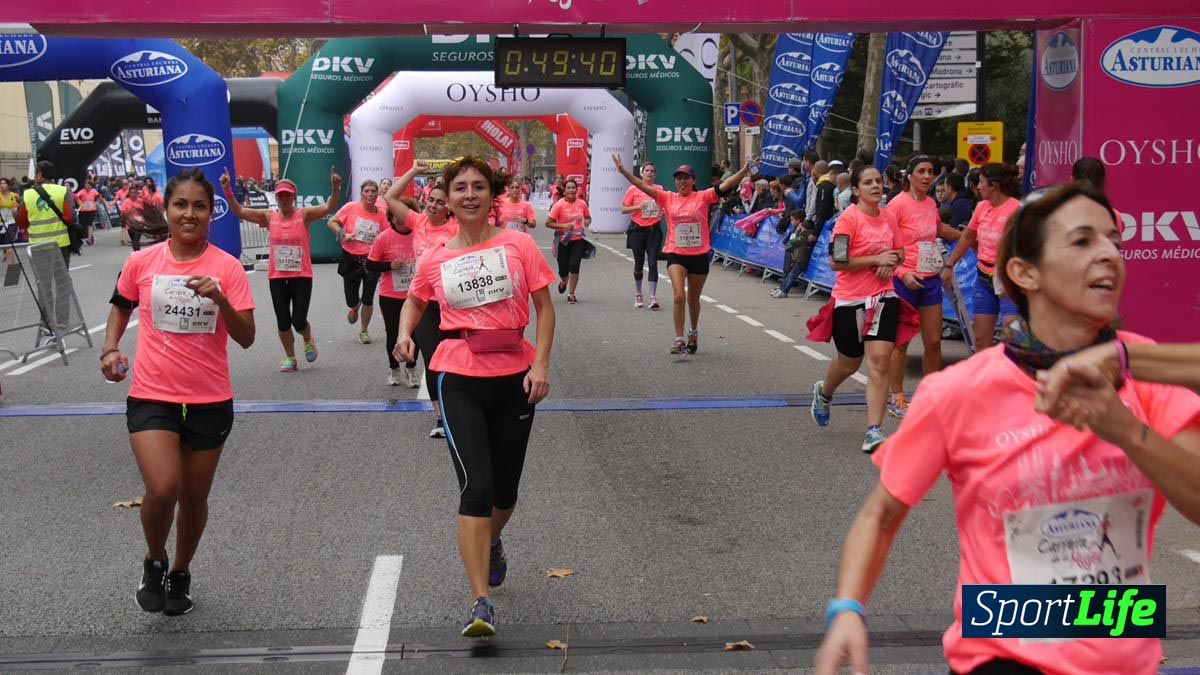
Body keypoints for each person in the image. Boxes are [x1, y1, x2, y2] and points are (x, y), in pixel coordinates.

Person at [813, 181, 1200, 675]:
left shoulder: (1146, 375)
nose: (1108, 254)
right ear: (1024, 272)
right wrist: (847, 607)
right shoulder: (960, 391)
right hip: (1000, 655)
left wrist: (1126, 430)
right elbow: (881, 515)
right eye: (1082, 241)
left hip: (1125, 653)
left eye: (1114, 241)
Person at [393, 156, 557, 639]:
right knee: (477, 487)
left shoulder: (519, 244)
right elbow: (416, 299)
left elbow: (545, 309)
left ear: (493, 194)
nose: (469, 194)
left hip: (515, 374)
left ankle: (492, 539)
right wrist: (405, 333)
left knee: (505, 493)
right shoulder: (437, 255)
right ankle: (480, 602)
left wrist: (542, 365)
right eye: (460, 187)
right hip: (457, 374)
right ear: (446, 196)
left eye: (478, 186)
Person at [100, 168, 256, 617]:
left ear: (211, 213)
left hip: (209, 399)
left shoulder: (226, 266)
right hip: (152, 395)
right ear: (167, 210)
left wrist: (221, 299)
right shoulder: (142, 263)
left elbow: (245, 336)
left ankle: (181, 571)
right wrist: (110, 349)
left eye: (199, 206)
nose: (189, 213)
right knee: (164, 487)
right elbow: (120, 305)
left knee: (193, 497)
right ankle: (154, 559)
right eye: (180, 205)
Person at [613, 156, 754, 355]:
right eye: (679, 178)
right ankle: (679, 339)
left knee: (693, 299)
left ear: (693, 181)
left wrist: (743, 170)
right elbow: (641, 185)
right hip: (676, 253)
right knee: (679, 295)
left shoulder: (703, 197)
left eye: (686, 178)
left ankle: (693, 332)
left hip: (698, 255)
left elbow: (726, 185)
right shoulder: (666, 197)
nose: (682, 181)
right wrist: (623, 172)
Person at [808, 165, 904, 453]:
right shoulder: (847, 220)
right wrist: (877, 260)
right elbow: (837, 262)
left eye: (878, 181)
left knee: (880, 363)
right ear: (857, 190)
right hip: (850, 300)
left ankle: (873, 431)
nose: (876, 186)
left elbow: (900, 252)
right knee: (850, 362)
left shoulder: (889, 218)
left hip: (884, 298)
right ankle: (824, 393)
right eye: (868, 182)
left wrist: (892, 262)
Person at [222, 168, 340, 372]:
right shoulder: (268, 217)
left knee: (298, 320)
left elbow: (329, 205)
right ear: (276, 197)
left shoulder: (304, 215)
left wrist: (335, 187)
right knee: (283, 321)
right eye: (281, 195)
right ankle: (291, 358)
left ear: (293, 196)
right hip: (277, 276)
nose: (284, 198)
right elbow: (239, 211)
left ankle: (308, 337)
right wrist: (228, 190)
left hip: (301, 275)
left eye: (288, 195)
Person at [385, 160, 460, 438]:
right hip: (423, 303)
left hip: (453, 302)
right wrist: (414, 172)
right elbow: (390, 197)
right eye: (430, 200)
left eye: (440, 202)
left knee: (457, 357)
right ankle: (440, 417)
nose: (433, 205)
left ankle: (461, 407)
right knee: (432, 359)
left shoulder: (456, 229)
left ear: (449, 207)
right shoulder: (417, 222)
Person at [884, 155, 962, 418]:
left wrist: (970, 236)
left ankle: (931, 395)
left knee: (933, 341)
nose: (927, 177)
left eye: (930, 172)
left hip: (930, 280)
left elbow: (938, 229)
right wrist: (902, 272)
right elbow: (883, 246)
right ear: (910, 176)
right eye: (921, 172)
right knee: (901, 343)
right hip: (904, 280)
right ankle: (896, 398)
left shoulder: (930, 203)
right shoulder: (897, 205)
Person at [945, 163, 1022, 350]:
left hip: (1008, 279)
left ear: (993, 186)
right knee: (980, 338)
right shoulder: (981, 207)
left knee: (1013, 335)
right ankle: (985, 378)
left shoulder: (1016, 209)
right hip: (983, 277)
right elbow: (968, 237)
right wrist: (950, 265)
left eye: (981, 182)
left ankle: (1012, 376)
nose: (978, 187)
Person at [367, 206, 421, 387]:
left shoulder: (420, 235)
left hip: (416, 294)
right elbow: (371, 264)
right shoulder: (383, 238)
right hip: (390, 294)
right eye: (395, 216)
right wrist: (389, 265)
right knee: (392, 333)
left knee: (416, 333)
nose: (399, 220)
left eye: (402, 216)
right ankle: (394, 368)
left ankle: (412, 367)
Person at [329, 180, 388, 344]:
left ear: (377, 194)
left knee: (368, 298)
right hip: (351, 257)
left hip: (371, 260)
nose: (370, 194)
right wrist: (343, 234)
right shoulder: (350, 208)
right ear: (361, 193)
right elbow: (331, 222)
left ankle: (364, 330)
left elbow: (388, 235)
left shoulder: (382, 214)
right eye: (367, 191)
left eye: (373, 191)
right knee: (351, 299)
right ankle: (355, 306)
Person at [620, 162, 664, 310]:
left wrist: (662, 212)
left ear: (655, 175)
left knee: (652, 262)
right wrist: (638, 207)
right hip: (637, 230)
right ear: (642, 173)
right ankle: (639, 293)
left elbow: (663, 206)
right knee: (639, 264)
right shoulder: (633, 189)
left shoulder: (659, 189)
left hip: (654, 230)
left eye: (652, 171)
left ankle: (652, 297)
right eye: (647, 170)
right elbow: (623, 209)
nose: (649, 173)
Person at [544, 179, 591, 305]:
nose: (571, 190)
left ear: (577, 190)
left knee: (575, 265)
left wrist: (587, 221)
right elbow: (548, 223)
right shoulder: (559, 205)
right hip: (563, 240)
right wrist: (564, 226)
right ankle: (564, 281)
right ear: (564, 191)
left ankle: (571, 294)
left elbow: (587, 217)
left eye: (573, 188)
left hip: (578, 239)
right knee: (563, 269)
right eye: (568, 188)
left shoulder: (582, 204)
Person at [769, 210, 817, 298]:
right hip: (798, 258)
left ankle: (784, 291)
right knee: (790, 274)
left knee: (791, 275)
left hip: (801, 259)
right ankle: (782, 288)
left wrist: (796, 233)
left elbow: (792, 243)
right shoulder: (805, 235)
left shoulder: (804, 235)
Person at [75, 179, 100, 246]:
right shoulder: (82, 192)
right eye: (86, 185)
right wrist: (80, 203)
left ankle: (89, 239)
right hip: (84, 210)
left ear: (91, 186)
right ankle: (91, 237)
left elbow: (98, 196)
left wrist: (95, 202)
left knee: (89, 224)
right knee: (84, 225)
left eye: (89, 185)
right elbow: (76, 197)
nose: (87, 186)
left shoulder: (94, 192)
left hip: (92, 210)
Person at [0, 177, 18, 264]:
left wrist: (14, 208)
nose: (2, 185)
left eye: (4, 183)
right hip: (0, 224)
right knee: (4, 246)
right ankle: (6, 254)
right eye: (0, 183)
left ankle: (11, 269)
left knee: (9, 247)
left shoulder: (13, 195)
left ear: (8, 185)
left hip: (11, 223)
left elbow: (15, 210)